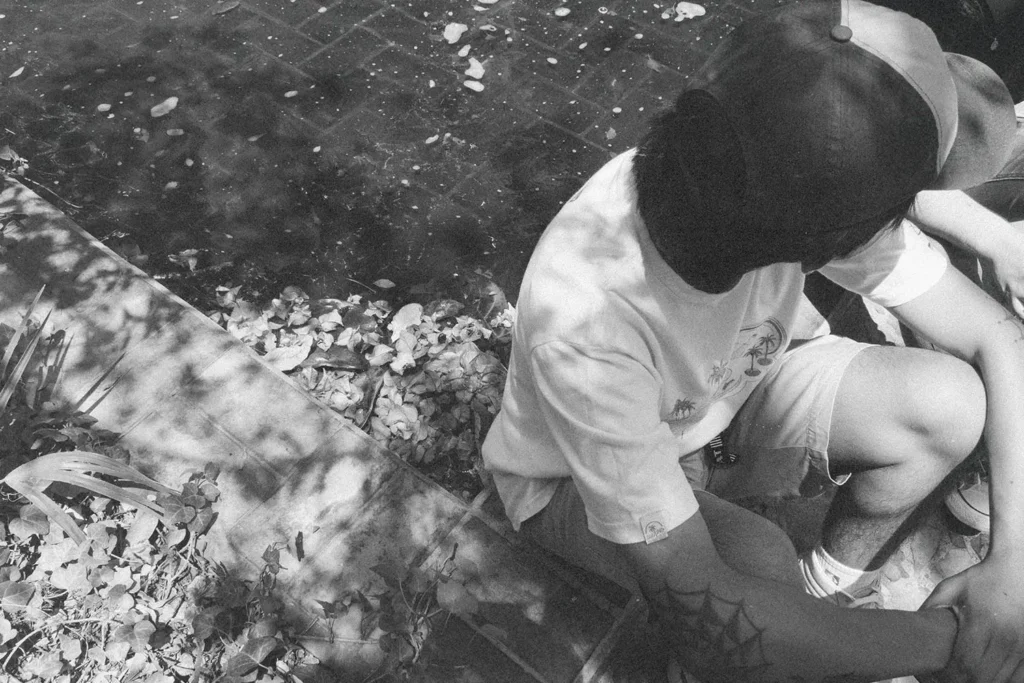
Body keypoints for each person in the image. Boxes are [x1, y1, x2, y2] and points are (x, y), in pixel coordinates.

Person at [481, 1, 1024, 681]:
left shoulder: (741, 166)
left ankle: (824, 597)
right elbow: (708, 613)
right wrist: (960, 640)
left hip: (726, 390)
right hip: (566, 477)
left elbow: (999, 340)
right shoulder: (588, 324)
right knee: (756, 571)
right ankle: (788, 634)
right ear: (832, 243)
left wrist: (1012, 569)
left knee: (947, 404)